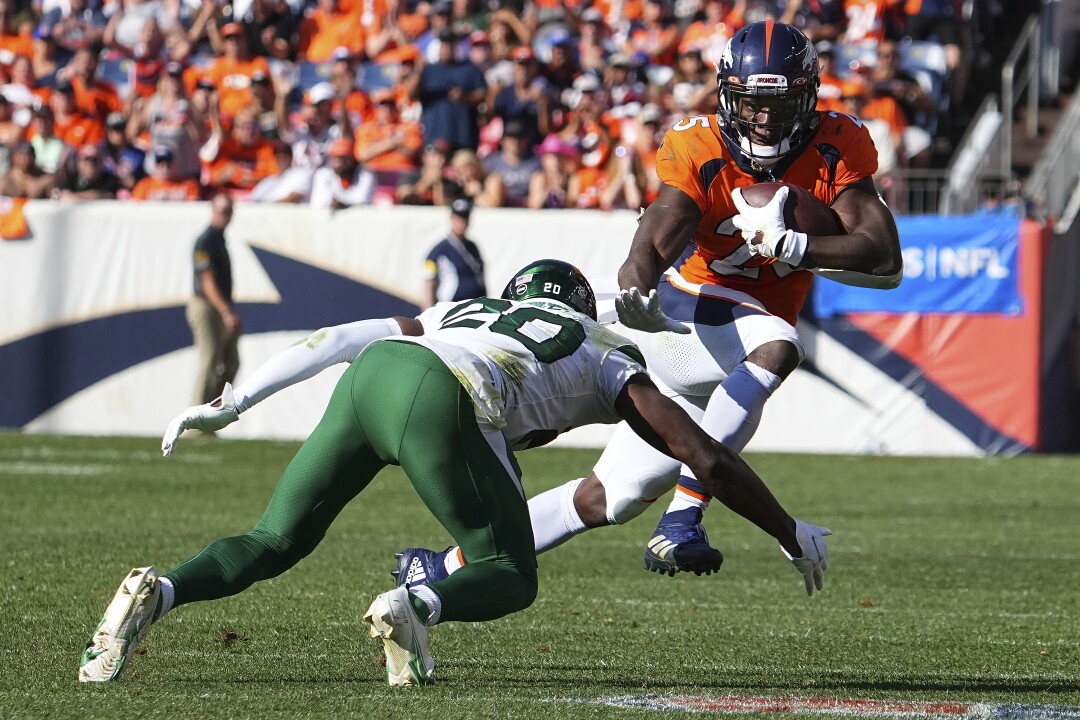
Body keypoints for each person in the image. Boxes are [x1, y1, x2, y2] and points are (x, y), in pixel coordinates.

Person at [83, 259, 830, 686]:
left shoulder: (461, 308)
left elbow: (340, 338)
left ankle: (163, 591)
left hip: (375, 376)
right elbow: (702, 455)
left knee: (273, 540)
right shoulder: (605, 347)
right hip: (442, 399)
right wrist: (786, 529)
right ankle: (415, 606)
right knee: (511, 572)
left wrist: (234, 400)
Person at [399, 21, 901, 580]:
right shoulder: (699, 143)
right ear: (727, 97)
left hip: (721, 357)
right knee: (780, 347)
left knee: (605, 498)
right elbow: (660, 228)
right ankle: (684, 517)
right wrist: (638, 281)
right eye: (750, 103)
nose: (762, 118)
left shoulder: (838, 142)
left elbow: (884, 254)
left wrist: (800, 244)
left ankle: (437, 567)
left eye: (777, 103)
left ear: (808, 95)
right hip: (685, 313)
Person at [186, 194, 241, 406]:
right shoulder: (206, 241)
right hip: (206, 306)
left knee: (231, 362)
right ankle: (196, 421)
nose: (225, 216)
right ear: (213, 211)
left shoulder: (218, 239)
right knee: (209, 361)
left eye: (228, 211)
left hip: (219, 306)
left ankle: (212, 412)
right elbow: (206, 281)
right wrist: (226, 311)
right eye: (221, 210)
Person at [421, 197, 485, 310]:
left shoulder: (473, 247)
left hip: (475, 308)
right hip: (451, 310)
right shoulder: (438, 251)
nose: (462, 222)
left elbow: (480, 277)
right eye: (458, 218)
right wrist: (428, 313)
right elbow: (429, 285)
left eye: (465, 218)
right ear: (451, 218)